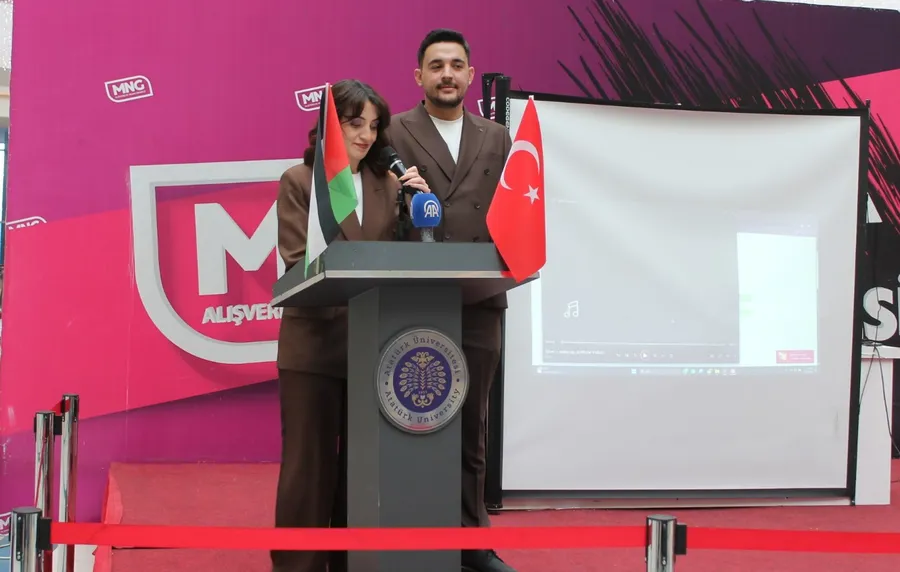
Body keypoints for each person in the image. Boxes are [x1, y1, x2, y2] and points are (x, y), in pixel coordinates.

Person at [272, 78, 430, 572]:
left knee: (360, 472)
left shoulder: (390, 185)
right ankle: (297, 567)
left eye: (374, 125)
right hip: (314, 346)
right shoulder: (301, 180)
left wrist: (419, 209)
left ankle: (351, 563)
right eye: (355, 123)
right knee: (308, 470)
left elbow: (407, 262)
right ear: (330, 125)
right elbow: (297, 260)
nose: (366, 135)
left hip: (372, 347)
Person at [384, 29, 517, 572]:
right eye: (436, 65)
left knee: (471, 426)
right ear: (419, 76)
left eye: (456, 65)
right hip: (412, 296)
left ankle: (471, 544)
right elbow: (378, 210)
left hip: (481, 298)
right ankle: (407, 536)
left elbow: (515, 210)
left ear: (470, 74)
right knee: (408, 417)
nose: (447, 74)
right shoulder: (393, 131)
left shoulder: (499, 137)